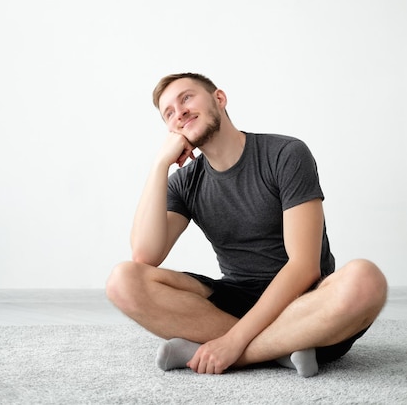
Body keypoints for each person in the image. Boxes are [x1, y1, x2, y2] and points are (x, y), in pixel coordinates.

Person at [106, 72, 387, 377]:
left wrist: (232, 343)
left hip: (307, 305)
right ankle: (282, 349)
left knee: (365, 279)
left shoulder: (285, 154)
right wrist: (159, 164)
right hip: (235, 301)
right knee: (123, 280)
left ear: (219, 98)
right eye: (169, 113)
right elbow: (145, 256)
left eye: (186, 98)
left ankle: (234, 352)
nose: (180, 112)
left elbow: (304, 267)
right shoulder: (185, 183)